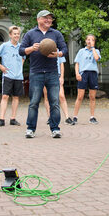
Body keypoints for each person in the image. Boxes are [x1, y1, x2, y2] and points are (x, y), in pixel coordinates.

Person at [19, 10, 68, 139]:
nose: (48, 20)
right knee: (34, 102)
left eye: (50, 18)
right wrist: (32, 48)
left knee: (55, 102)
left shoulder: (56, 34)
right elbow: (21, 50)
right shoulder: (30, 34)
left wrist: (58, 54)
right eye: (45, 18)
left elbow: (64, 49)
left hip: (52, 73)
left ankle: (55, 128)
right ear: (38, 19)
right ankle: (30, 129)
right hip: (36, 72)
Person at [0, 26, 25, 127]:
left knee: (16, 97)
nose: (16, 35)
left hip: (18, 76)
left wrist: (20, 67)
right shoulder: (5, 45)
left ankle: (13, 118)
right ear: (10, 35)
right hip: (7, 75)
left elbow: (24, 57)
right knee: (5, 96)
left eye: (18, 34)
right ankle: (2, 119)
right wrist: (1, 66)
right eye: (14, 34)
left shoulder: (21, 47)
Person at [72, 34, 101, 125]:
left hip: (92, 73)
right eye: (88, 39)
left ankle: (92, 117)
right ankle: (75, 117)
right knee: (80, 96)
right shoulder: (81, 51)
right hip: (83, 73)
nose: (89, 41)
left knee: (92, 97)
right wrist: (77, 73)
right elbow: (77, 63)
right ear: (85, 41)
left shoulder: (96, 51)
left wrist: (92, 48)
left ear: (94, 42)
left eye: (92, 40)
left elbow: (96, 58)